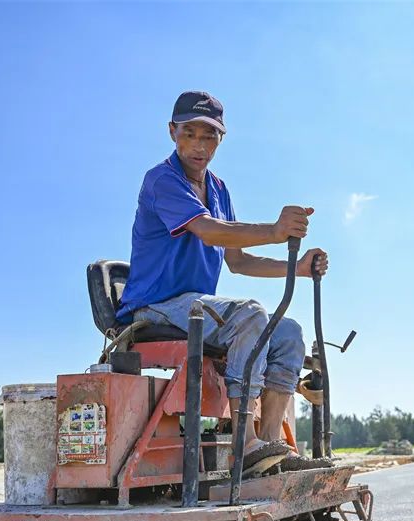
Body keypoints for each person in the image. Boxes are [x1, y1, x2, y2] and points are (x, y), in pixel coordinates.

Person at [116, 90, 328, 471]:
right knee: (250, 315)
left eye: (209, 135)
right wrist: (276, 229)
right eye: (189, 133)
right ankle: (244, 445)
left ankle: (271, 448)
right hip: (156, 306)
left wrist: (295, 267)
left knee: (289, 333)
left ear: (221, 139)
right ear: (172, 132)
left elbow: (238, 259)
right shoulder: (162, 180)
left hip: (195, 306)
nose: (198, 145)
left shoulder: (219, 189)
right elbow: (210, 232)